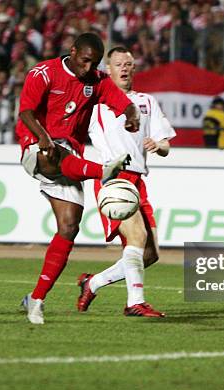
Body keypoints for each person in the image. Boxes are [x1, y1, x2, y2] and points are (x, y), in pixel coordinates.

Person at [16, 33, 140, 325]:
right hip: (37, 145)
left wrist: (131, 115)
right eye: (85, 61)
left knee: (69, 227)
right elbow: (25, 111)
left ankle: (35, 299)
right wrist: (43, 136)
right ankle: (103, 170)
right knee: (52, 156)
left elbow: (122, 102)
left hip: (70, 155)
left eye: (94, 63)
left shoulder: (96, 80)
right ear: (72, 52)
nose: (88, 68)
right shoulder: (43, 73)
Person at [75, 46, 175, 318]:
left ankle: (92, 282)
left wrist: (159, 145)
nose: (124, 67)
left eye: (129, 63)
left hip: (138, 181)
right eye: (118, 63)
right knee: (137, 237)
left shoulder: (146, 102)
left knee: (150, 254)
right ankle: (135, 302)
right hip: (113, 178)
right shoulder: (95, 104)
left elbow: (165, 144)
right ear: (108, 69)